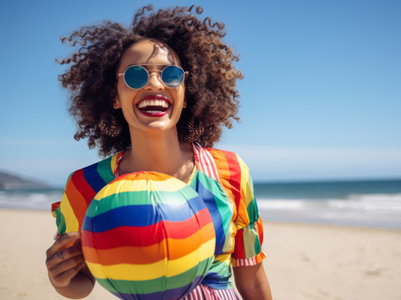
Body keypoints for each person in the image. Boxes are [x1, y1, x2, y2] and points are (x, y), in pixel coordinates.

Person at [45, 4, 272, 300]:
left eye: (171, 75)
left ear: (186, 92)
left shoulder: (231, 172)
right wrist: (60, 278)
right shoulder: (86, 187)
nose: (154, 84)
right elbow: (81, 283)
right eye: (136, 76)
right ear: (114, 95)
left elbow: (252, 279)